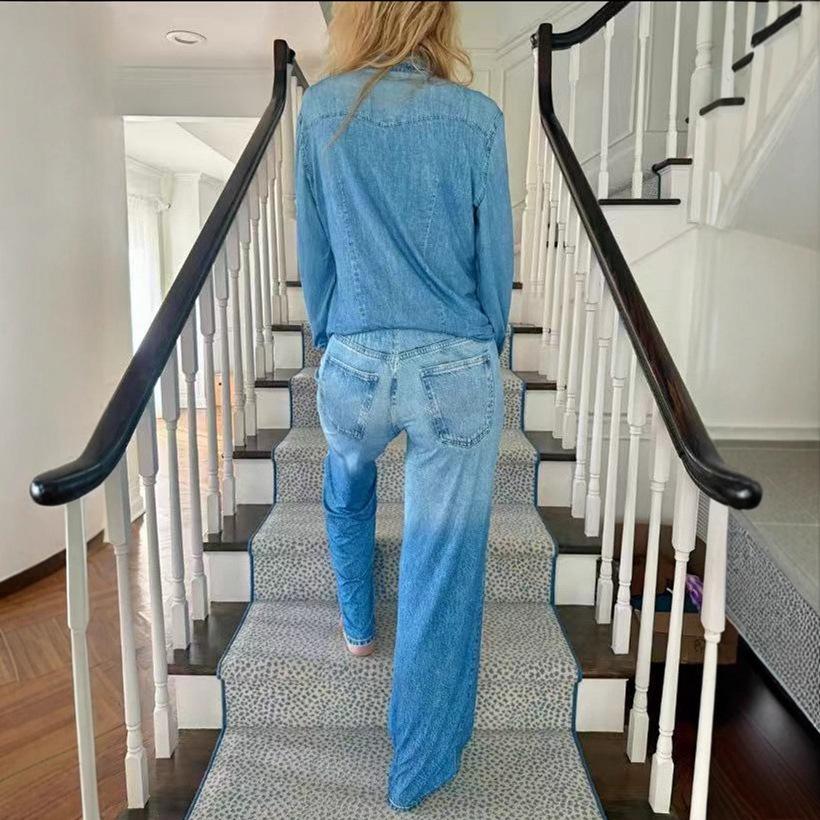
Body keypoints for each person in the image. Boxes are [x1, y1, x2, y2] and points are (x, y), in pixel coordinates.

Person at [295, 1, 513, 811]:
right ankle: (416, 771)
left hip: (354, 357)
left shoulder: (322, 109)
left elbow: (314, 247)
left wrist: (332, 335)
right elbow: (495, 262)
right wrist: (484, 347)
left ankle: (358, 625)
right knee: (439, 563)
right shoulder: (478, 118)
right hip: (454, 358)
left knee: (346, 482)